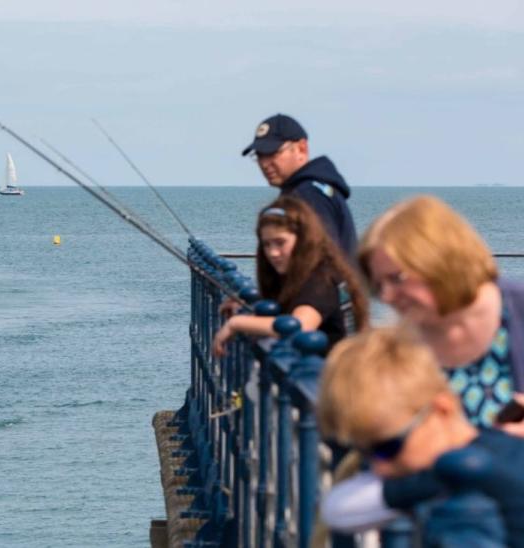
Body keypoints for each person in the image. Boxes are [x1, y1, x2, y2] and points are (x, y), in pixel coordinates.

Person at [317, 327, 524, 545]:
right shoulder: (485, 457)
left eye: (389, 447)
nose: (379, 466)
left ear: (442, 409)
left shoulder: (489, 472)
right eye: (364, 452)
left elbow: (340, 509)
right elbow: (336, 509)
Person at [360, 195, 524, 432]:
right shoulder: (398, 345)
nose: (386, 296)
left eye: (396, 279)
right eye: (378, 286)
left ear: (437, 261)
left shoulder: (516, 311)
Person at [211, 196, 368, 356]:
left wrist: (237, 323)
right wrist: (248, 309)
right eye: (267, 244)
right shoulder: (315, 270)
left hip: (327, 374)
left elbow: (299, 325)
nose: (272, 253)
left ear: (303, 240)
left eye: (280, 242)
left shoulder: (321, 280)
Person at [242, 113, 357, 257]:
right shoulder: (311, 189)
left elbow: (325, 261)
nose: (265, 164)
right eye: (260, 156)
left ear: (301, 148)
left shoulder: (310, 195)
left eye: (272, 153)